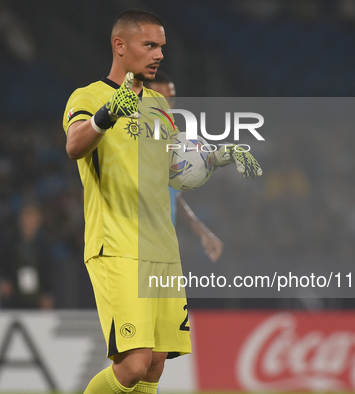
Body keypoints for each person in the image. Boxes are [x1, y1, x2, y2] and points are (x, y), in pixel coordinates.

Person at [63, 9, 261, 393]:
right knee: (134, 363)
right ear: (120, 46)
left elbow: (172, 167)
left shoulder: (159, 106)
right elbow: (74, 146)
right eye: (149, 45)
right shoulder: (88, 96)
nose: (159, 55)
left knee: (154, 366)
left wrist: (216, 157)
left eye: (162, 47)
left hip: (162, 249)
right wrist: (107, 114)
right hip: (117, 245)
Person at [145, 71, 224, 263]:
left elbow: (172, 197)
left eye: (170, 99)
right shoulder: (126, 144)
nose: (166, 105)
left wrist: (203, 232)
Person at [0, 203, 54, 309]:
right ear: (21, 218)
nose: (29, 220)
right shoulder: (10, 242)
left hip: (37, 297)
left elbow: (48, 270)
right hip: (14, 295)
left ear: (39, 220)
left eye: (33, 216)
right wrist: (4, 280)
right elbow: (1, 263)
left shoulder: (44, 244)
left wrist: (47, 293)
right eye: (26, 216)